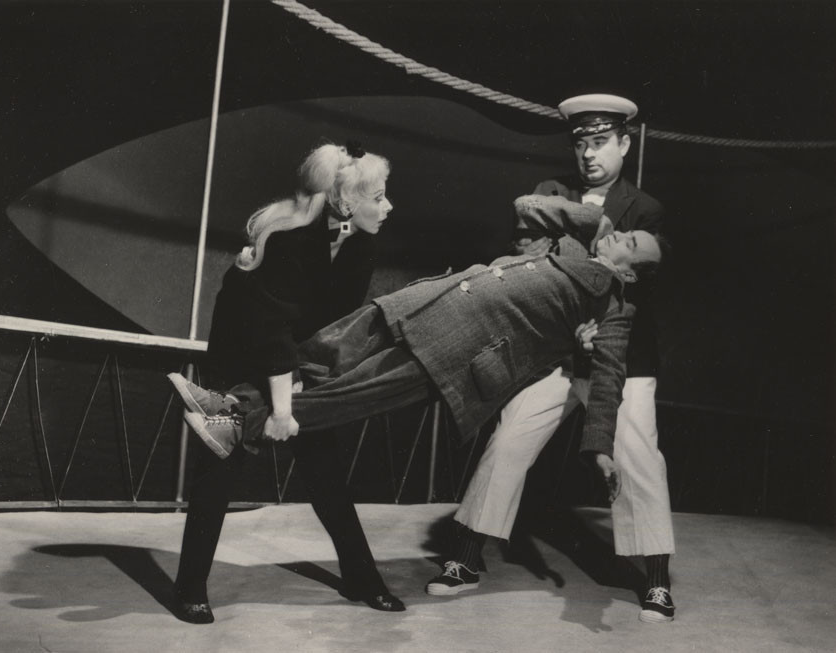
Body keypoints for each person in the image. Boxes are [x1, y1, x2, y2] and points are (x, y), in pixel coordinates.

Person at [172, 197, 664, 578]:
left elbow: (608, 381)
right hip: (427, 303)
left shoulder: (613, 309)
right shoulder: (574, 247)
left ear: (628, 273)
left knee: (347, 393)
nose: (619, 233)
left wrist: (600, 448)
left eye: (630, 241)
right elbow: (528, 207)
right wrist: (597, 219)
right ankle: (234, 402)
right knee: (318, 354)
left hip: (455, 353)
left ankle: (237, 420)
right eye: (624, 230)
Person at [425, 94, 676, 624]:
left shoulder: (646, 209)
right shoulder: (551, 193)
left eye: (601, 142)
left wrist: (601, 328)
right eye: (581, 143)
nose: (589, 153)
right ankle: (464, 558)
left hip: (623, 357)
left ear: (624, 144)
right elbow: (528, 260)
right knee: (510, 438)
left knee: (638, 459)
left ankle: (656, 579)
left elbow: (643, 285)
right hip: (557, 353)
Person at [170, 141, 404, 625]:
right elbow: (270, 328)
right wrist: (280, 409)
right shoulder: (291, 239)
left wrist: (303, 381)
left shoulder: (362, 245)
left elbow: (332, 324)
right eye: (378, 197)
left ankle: (361, 577)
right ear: (345, 203)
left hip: (293, 360)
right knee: (220, 466)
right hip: (240, 356)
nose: (388, 206)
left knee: (325, 471)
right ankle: (189, 587)